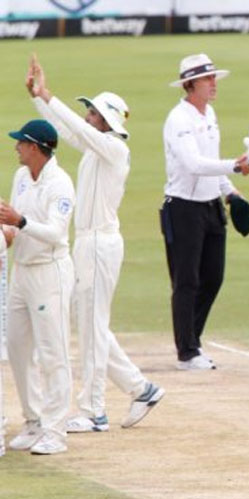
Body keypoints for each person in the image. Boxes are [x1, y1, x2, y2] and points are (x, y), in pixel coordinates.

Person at [26, 55, 164, 432]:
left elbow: (77, 129)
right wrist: (39, 98)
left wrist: (49, 96)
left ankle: (93, 411)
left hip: (101, 244)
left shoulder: (115, 149)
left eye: (93, 113)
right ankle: (141, 388)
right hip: (88, 244)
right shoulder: (96, 148)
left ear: (108, 120)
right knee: (91, 324)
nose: (87, 117)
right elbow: (67, 132)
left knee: (92, 326)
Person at [161, 53, 249, 370]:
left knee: (213, 277)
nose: (214, 83)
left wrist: (230, 191)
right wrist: (236, 166)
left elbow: (211, 162)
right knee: (186, 281)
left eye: (214, 77)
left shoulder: (209, 113)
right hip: (183, 207)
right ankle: (186, 352)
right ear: (190, 84)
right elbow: (193, 164)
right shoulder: (178, 119)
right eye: (207, 78)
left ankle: (193, 340)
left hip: (211, 205)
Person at [0, 119, 75, 455]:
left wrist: (20, 221)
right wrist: (7, 233)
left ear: (35, 147)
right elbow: (17, 226)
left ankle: (55, 431)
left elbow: (56, 233)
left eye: (21, 142)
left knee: (52, 352)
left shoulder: (60, 184)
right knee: (17, 347)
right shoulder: (21, 177)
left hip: (50, 272)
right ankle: (33, 421)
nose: (16, 147)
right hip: (22, 271)